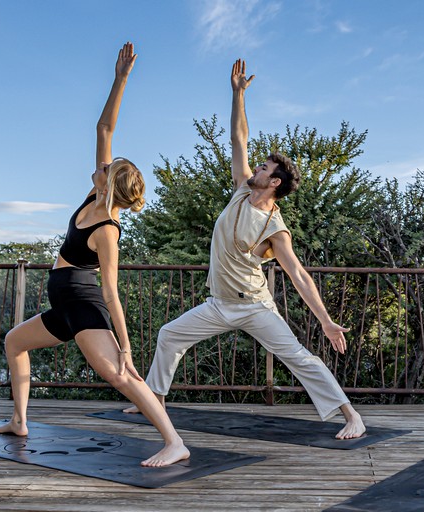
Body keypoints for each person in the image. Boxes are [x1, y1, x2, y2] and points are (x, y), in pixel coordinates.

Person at [124, 58, 366, 440]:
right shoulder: (242, 190)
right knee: (170, 335)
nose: (257, 168)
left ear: (274, 183)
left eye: (265, 168)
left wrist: (324, 319)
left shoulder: (274, 227)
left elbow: (298, 275)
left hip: (254, 307)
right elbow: (239, 138)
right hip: (219, 303)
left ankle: (350, 415)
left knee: (298, 357)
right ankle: (153, 399)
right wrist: (237, 94)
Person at [0, 42, 190, 468]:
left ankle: (174, 441)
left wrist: (125, 346)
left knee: (119, 375)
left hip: (84, 307)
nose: (100, 165)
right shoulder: (93, 196)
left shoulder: (106, 230)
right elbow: (104, 127)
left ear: (110, 185)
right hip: (62, 306)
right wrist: (120, 79)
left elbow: (111, 292)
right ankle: (20, 420)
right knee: (14, 342)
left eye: (106, 167)